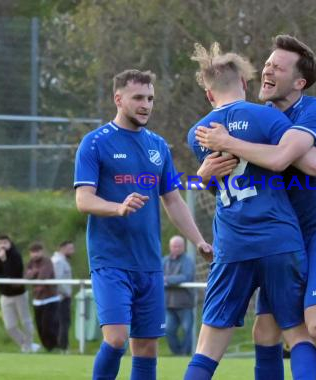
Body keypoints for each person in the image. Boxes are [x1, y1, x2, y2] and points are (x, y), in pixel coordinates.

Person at [195, 35, 316, 380]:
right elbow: (236, 179)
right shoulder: (258, 118)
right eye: (267, 64)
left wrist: (227, 141)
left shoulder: (314, 110)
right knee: (264, 333)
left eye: (277, 68)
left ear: (299, 82)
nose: (266, 71)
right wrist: (203, 175)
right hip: (283, 236)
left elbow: (295, 162)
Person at [74, 69, 212, 380]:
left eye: (150, 98)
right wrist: (117, 207)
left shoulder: (158, 146)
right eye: (138, 98)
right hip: (111, 261)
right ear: (118, 99)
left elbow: (173, 200)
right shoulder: (95, 143)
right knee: (117, 339)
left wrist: (199, 240)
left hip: (150, 265)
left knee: (147, 347)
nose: (146, 104)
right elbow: (84, 200)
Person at [0, 234, 37, 353]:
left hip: (19, 294)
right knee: (9, 326)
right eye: (0, 243)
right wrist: (3, 288)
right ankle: (25, 343)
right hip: (5, 295)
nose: (2, 245)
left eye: (5, 242)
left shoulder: (15, 255)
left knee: (25, 321)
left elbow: (14, 273)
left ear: (10, 243)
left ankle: (29, 346)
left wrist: (5, 260)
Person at [164, 235, 196, 356]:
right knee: (168, 330)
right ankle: (177, 354)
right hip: (169, 303)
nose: (176, 248)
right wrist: (168, 280)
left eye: (178, 246)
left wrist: (167, 279)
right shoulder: (165, 260)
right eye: (174, 246)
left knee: (187, 330)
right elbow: (157, 276)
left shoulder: (187, 261)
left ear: (183, 247)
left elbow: (185, 277)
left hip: (184, 303)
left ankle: (185, 353)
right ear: (170, 247)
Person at [25, 241, 60, 352]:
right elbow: (26, 276)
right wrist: (34, 272)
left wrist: (34, 274)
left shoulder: (47, 261)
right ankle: (47, 347)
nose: (35, 254)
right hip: (37, 300)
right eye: (33, 252)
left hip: (50, 299)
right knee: (40, 326)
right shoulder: (30, 262)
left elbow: (43, 276)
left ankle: (53, 347)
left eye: (37, 252)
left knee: (47, 325)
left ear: (42, 252)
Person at [51, 240, 75, 352]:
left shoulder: (62, 261)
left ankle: (63, 346)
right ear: (63, 248)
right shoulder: (58, 261)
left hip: (63, 296)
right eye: (70, 249)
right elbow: (58, 279)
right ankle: (63, 347)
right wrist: (66, 293)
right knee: (63, 322)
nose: (72, 252)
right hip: (62, 297)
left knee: (64, 321)